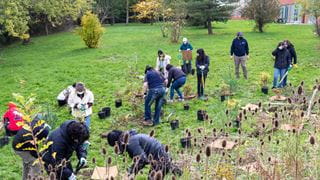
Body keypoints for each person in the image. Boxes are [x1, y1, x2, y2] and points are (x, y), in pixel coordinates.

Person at [106, 130, 182, 178]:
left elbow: (141, 159)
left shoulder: (131, 142)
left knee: (152, 178)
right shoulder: (132, 137)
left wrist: (131, 173)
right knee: (172, 168)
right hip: (162, 155)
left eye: (115, 146)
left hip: (159, 158)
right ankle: (183, 174)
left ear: (117, 142)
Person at [12, 115, 50, 179]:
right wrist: (40, 156)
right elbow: (34, 152)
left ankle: (25, 178)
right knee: (35, 164)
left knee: (27, 163)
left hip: (20, 142)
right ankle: (35, 177)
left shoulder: (37, 124)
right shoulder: (30, 138)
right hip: (19, 149)